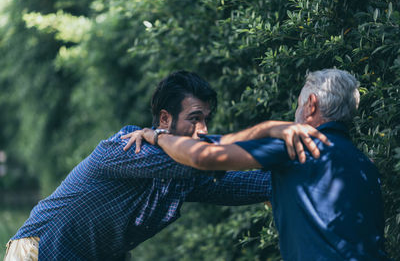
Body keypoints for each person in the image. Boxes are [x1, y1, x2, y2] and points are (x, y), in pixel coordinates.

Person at [4, 71, 327, 261]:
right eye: (194, 119)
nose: (202, 129)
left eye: (206, 120)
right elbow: (210, 155)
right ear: (164, 119)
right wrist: (270, 130)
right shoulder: (127, 148)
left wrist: (327, 167)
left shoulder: (183, 176)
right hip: (39, 251)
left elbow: (251, 184)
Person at [125, 69, 387, 260]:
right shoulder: (365, 165)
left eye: (298, 106)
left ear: (311, 105)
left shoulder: (296, 142)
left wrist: (156, 136)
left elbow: (205, 156)